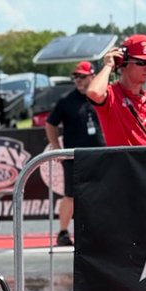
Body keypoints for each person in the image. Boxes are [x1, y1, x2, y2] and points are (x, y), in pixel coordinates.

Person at [44, 61, 105, 247]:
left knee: (102, 194)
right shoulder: (66, 101)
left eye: (82, 76)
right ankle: (63, 232)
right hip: (74, 155)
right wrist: (55, 147)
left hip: (101, 153)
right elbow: (50, 123)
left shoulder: (102, 96)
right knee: (70, 195)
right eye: (76, 77)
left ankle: (99, 231)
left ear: (92, 76)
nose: (78, 80)